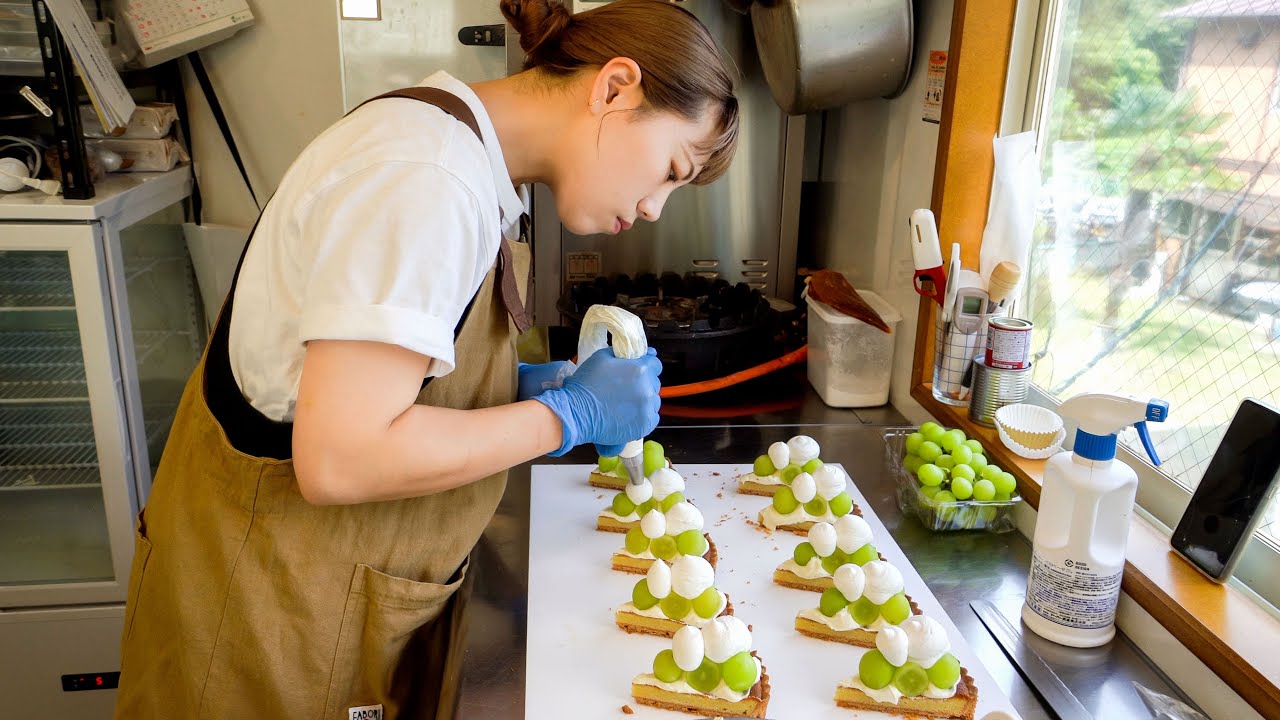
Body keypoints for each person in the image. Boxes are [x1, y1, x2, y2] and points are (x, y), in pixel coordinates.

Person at [112, 0, 740, 718]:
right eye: (670, 169)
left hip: (330, 600)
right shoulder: (426, 178)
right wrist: (566, 416)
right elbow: (341, 457)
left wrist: (519, 387)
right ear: (614, 87)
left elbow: (384, 384)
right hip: (261, 619)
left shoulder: (460, 157)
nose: (657, 207)